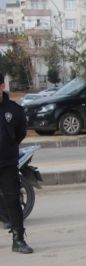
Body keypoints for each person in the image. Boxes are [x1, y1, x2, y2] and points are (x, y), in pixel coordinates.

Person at [0, 73, 33, 254]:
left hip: (7, 163)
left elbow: (20, 133)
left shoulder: (13, 110)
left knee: (13, 200)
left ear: (1, 87)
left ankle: (18, 239)